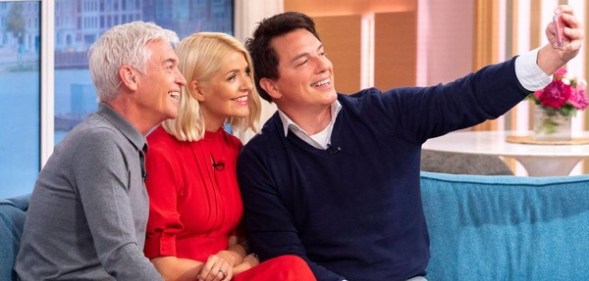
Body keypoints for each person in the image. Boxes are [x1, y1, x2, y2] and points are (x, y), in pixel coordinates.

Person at [236, 6, 583, 281]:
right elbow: (284, 254)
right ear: (272, 87)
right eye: (303, 61)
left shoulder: (385, 113)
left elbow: (467, 97)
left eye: (321, 52)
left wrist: (551, 56)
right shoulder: (260, 159)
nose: (323, 65)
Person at [14, 21, 186, 281]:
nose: (181, 79)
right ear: (130, 77)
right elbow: (121, 253)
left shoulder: (121, 141)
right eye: (169, 66)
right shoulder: (101, 141)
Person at [143, 32, 317, 281]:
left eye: (247, 72)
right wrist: (220, 273)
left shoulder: (235, 150)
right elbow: (159, 265)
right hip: (187, 278)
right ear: (198, 89)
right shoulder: (160, 153)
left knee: (292, 265)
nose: (247, 84)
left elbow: (241, 240)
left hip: (230, 274)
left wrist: (229, 260)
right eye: (232, 77)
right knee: (291, 270)